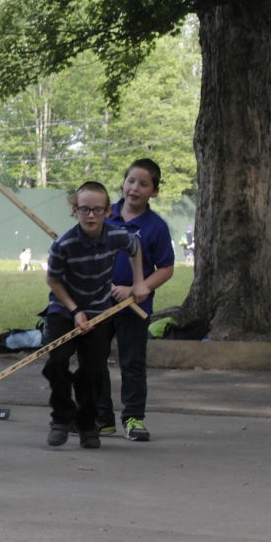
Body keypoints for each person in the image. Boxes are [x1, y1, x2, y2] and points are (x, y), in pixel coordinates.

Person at [43, 181, 147, 449]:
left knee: (93, 371)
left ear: (108, 211)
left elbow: (135, 248)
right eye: (84, 209)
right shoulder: (63, 244)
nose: (90, 216)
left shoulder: (116, 236)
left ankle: (88, 424)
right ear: (74, 211)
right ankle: (61, 417)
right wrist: (75, 310)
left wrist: (139, 283)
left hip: (99, 311)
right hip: (64, 309)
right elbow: (53, 281)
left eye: (97, 210)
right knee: (57, 363)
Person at [95, 159, 175, 441]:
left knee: (132, 363)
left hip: (134, 307)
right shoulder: (103, 215)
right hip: (99, 305)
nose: (135, 188)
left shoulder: (156, 227)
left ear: (154, 191)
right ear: (123, 181)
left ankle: (133, 418)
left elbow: (166, 268)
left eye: (143, 184)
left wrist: (138, 287)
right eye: (131, 181)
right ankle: (101, 418)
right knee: (94, 362)